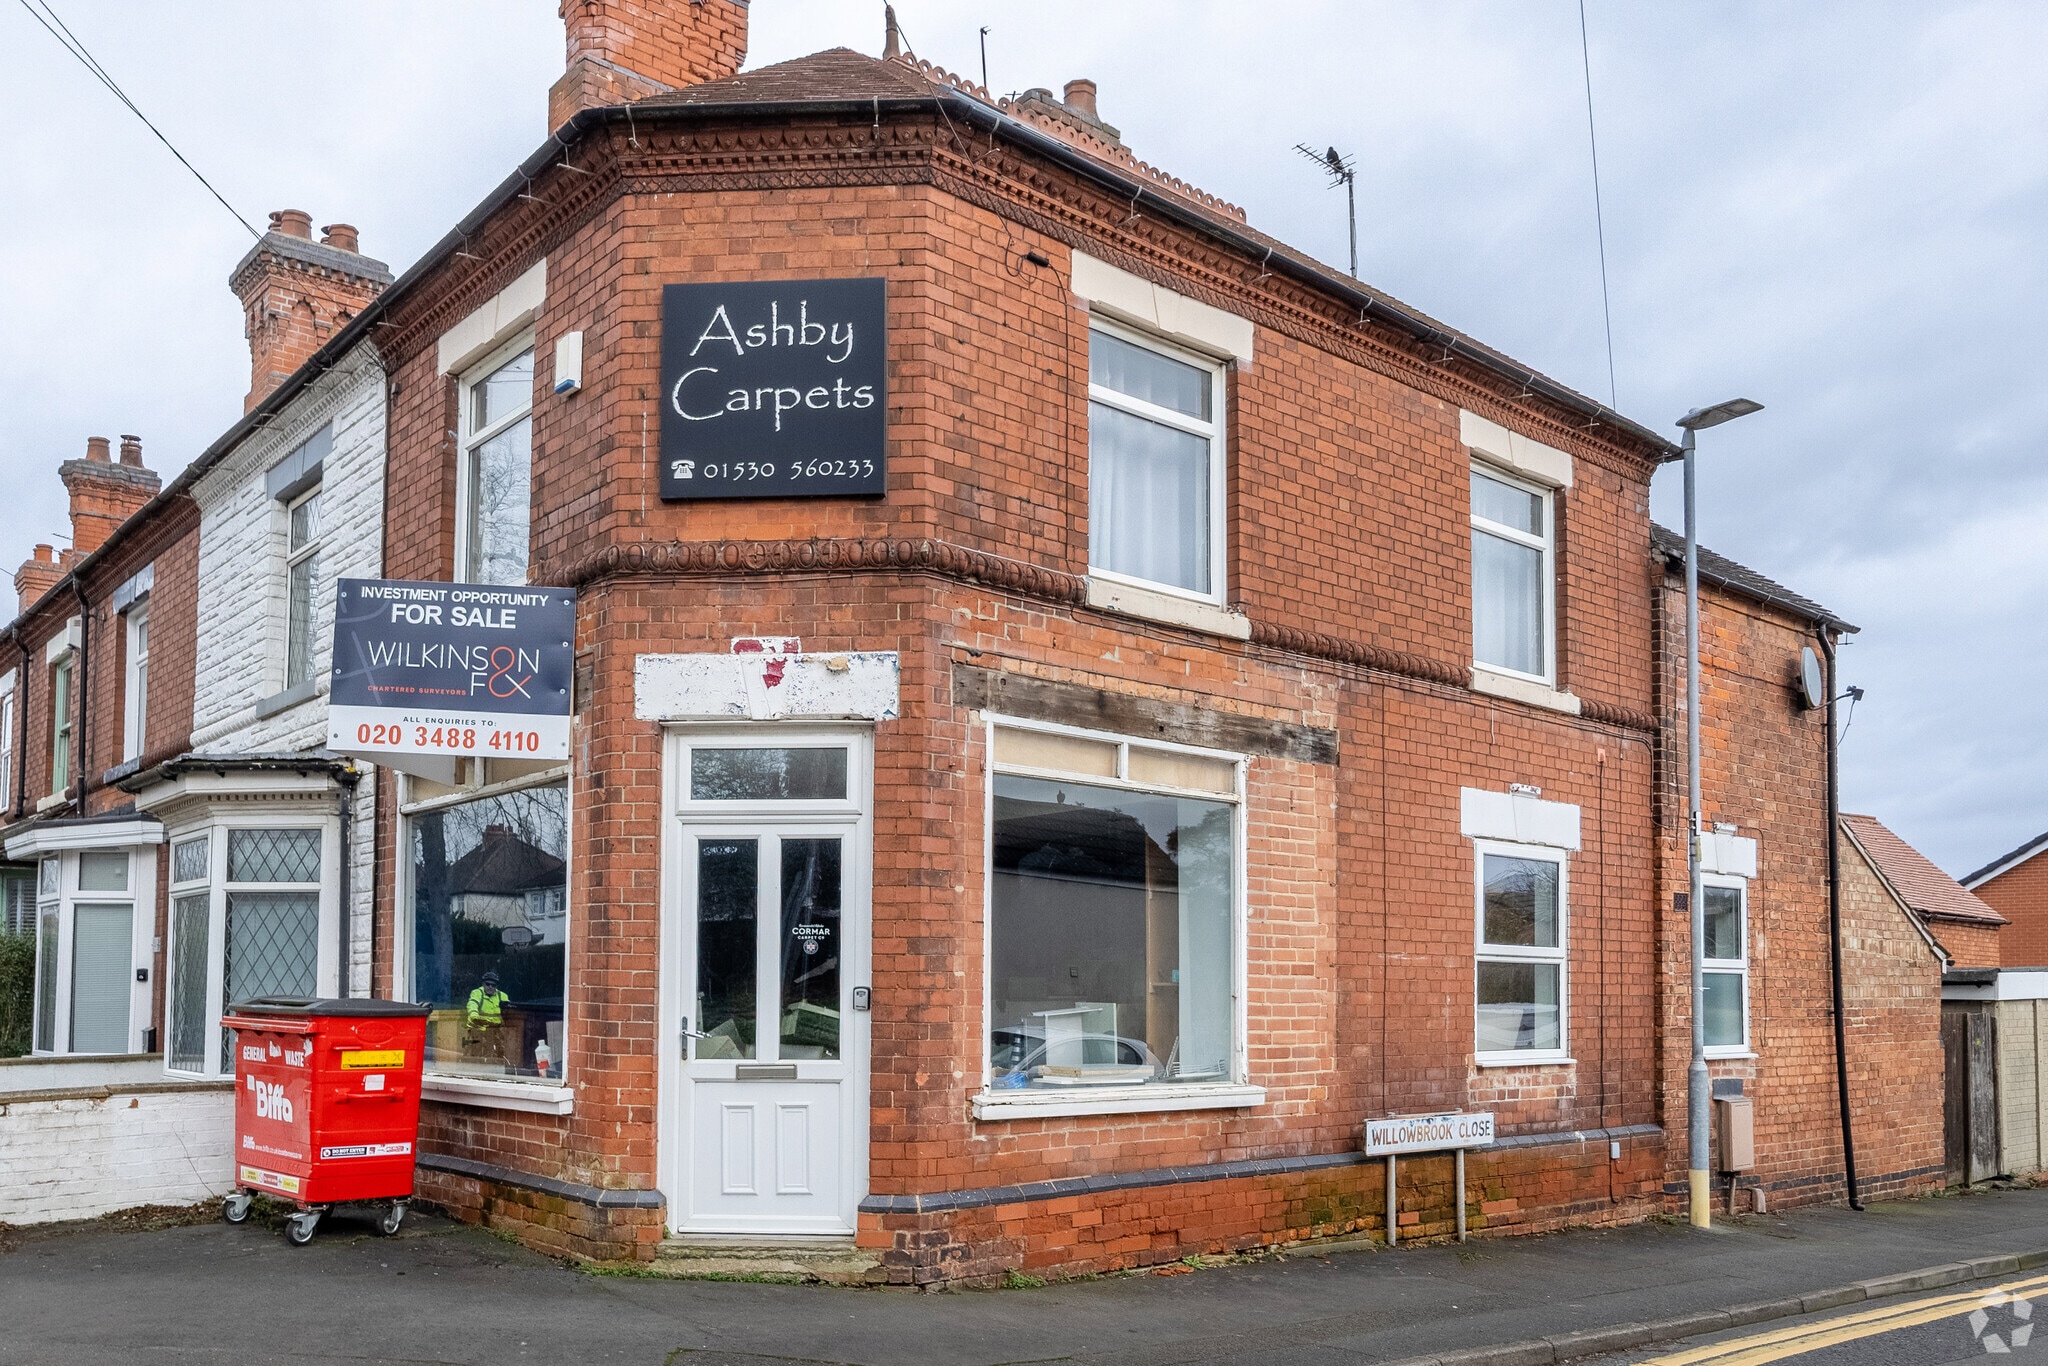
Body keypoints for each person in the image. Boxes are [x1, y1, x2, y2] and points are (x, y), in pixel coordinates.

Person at [463, 971, 516, 1069]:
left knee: (499, 1052)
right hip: (479, 1027)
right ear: (483, 984)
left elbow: (509, 1011)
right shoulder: (477, 993)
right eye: (488, 984)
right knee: (476, 1055)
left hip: (495, 1029)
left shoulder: (502, 996)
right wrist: (474, 1014)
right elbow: (472, 1004)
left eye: (493, 985)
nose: (490, 987)